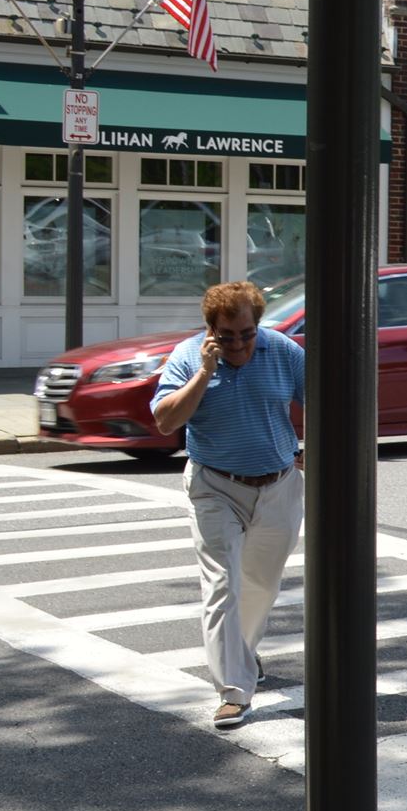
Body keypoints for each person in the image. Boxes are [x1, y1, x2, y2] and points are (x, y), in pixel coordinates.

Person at [151, 280, 305, 730]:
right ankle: (234, 692)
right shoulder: (186, 357)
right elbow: (165, 422)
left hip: (277, 485)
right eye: (227, 335)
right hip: (215, 485)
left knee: (260, 585)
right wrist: (204, 372)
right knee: (223, 586)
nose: (238, 343)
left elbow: (325, 400)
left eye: (246, 333)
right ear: (210, 329)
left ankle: (242, 655)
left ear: (258, 325)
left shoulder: (282, 351)